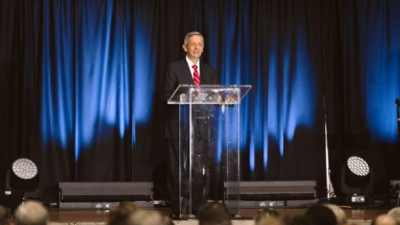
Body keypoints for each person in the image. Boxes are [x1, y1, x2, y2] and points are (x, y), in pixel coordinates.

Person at [162, 31, 219, 218]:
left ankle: (197, 208)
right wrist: (185, 95)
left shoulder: (210, 71)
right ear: (185, 47)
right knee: (176, 169)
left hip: (201, 129)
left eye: (199, 44)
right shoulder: (174, 68)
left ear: (203, 48)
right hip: (178, 126)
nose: (196, 48)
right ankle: (177, 209)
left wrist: (223, 97)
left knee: (199, 170)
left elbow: (217, 96)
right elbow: (166, 94)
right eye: (192, 44)